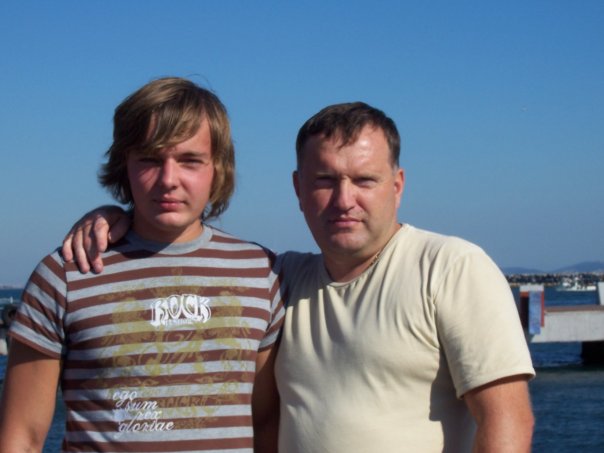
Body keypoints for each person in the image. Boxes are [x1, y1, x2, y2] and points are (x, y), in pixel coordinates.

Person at [58, 102, 535, 452]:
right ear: (298, 189)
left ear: (397, 185)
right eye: (325, 181)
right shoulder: (276, 277)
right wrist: (117, 216)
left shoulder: (450, 267)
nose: (344, 200)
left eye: (364, 180)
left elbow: (508, 424)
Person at [0, 77, 284, 453]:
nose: (169, 180)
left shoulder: (261, 274)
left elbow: (265, 423)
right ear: (125, 165)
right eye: (150, 159)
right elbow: (21, 438)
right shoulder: (66, 275)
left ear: (217, 167)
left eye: (189, 160)